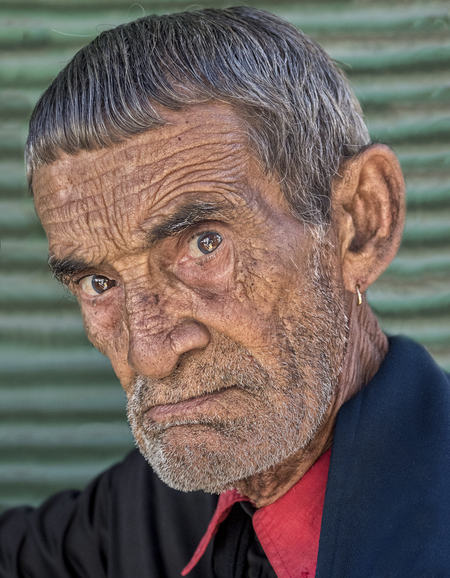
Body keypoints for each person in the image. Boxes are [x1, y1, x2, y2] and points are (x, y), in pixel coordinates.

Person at [1, 7, 449, 578]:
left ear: (359, 224)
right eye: (100, 283)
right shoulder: (152, 509)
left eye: (205, 244)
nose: (152, 353)